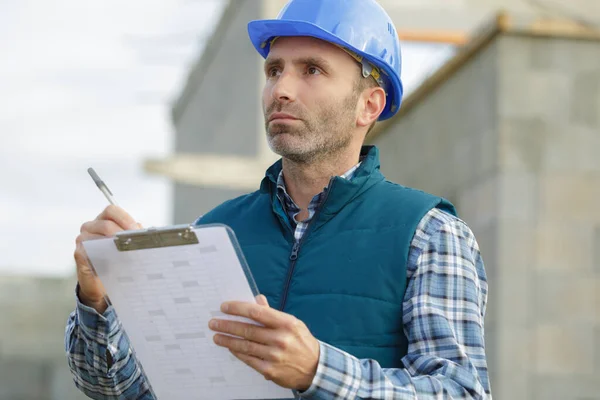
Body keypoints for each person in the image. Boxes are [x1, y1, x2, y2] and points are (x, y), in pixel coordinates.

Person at [65, 0, 492, 398]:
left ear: (369, 105)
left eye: (311, 70)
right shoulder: (212, 231)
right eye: (274, 70)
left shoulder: (429, 233)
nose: (281, 89)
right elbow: (128, 390)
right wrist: (99, 301)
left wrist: (317, 370)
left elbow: (460, 390)